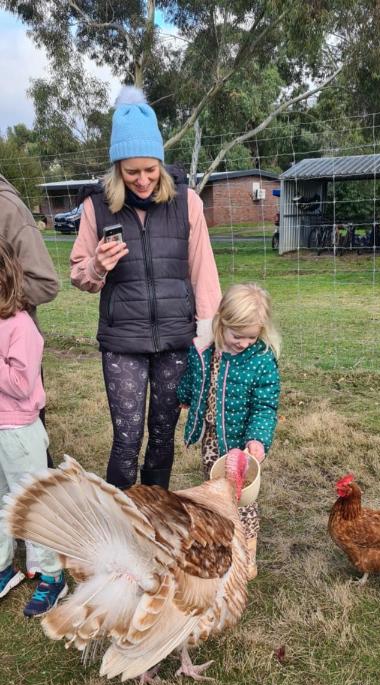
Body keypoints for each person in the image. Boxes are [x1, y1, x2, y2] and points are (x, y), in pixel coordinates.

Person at [71, 86, 221, 491]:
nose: (142, 180)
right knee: (126, 438)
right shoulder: (96, 207)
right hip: (123, 342)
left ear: (160, 161)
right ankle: (118, 523)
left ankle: (155, 517)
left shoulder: (187, 203)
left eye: (150, 170)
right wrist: (96, 267)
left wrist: (209, 332)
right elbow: (77, 272)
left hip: (176, 339)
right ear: (117, 167)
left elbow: (203, 270)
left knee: (161, 436)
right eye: (131, 171)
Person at [177, 283, 281, 579]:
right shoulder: (205, 349)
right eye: (239, 335)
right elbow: (194, 378)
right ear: (222, 322)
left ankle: (247, 554)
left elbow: (265, 405)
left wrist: (257, 439)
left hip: (241, 446)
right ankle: (222, 545)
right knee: (214, 495)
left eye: (252, 336)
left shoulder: (260, 360)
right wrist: (183, 396)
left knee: (242, 501)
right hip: (212, 440)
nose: (245, 342)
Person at [0, 238, 67, 616]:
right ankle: (3, 566)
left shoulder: (20, 326)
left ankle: (52, 575)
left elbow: (21, 384)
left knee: (33, 503)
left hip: (19, 432)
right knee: (1, 500)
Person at [0, 174, 59, 466]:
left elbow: (46, 283)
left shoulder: (7, 209)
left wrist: (6, 300)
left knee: (30, 484)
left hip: (18, 416)